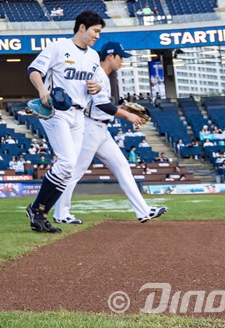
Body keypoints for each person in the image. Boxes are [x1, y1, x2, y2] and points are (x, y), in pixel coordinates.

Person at [53, 42, 167, 225]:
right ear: (111, 56)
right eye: (121, 57)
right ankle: (61, 213)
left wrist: (120, 108)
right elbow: (102, 105)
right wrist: (127, 114)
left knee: (123, 167)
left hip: (101, 130)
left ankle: (144, 211)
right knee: (75, 171)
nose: (122, 61)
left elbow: (103, 105)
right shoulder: (97, 73)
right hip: (90, 128)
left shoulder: (103, 77)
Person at [24, 10, 104, 233]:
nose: (97, 35)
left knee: (69, 169)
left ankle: (38, 212)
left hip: (79, 114)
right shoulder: (58, 47)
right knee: (67, 162)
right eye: (95, 31)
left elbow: (94, 84)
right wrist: (41, 90)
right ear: (81, 27)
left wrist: (96, 87)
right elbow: (33, 70)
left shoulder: (93, 56)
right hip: (56, 111)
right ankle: (38, 210)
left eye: (99, 32)